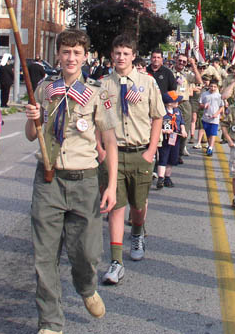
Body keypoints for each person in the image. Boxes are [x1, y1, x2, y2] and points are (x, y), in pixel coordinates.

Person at [23, 29, 118, 334]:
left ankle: (87, 287)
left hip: (84, 181)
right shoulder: (44, 89)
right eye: (66, 52)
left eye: (77, 52)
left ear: (85, 56)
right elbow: (30, 134)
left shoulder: (97, 92)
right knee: (44, 257)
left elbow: (109, 141)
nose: (71, 58)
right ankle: (50, 322)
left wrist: (112, 185)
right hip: (49, 180)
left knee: (86, 254)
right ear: (59, 55)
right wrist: (32, 117)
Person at [99, 34, 164, 285]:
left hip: (139, 152)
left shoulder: (146, 83)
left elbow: (158, 116)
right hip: (114, 154)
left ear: (133, 56)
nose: (121, 57)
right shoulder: (104, 85)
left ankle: (137, 232)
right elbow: (96, 120)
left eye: (126, 53)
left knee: (138, 205)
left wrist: (151, 150)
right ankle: (116, 261)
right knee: (115, 207)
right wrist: (99, 149)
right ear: (112, 55)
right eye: (117, 53)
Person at [172, 54, 202, 161]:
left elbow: (199, 81)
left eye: (184, 62)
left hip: (184, 103)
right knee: (171, 128)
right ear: (176, 60)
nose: (181, 63)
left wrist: (193, 65)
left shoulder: (187, 74)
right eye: (179, 61)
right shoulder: (169, 72)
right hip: (172, 103)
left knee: (185, 128)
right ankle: (171, 152)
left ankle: (179, 153)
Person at [155, 90, 185, 189]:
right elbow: (156, 126)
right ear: (169, 103)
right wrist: (163, 131)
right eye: (175, 101)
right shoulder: (162, 112)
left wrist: (183, 130)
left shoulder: (178, 111)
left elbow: (181, 123)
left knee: (172, 159)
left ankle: (167, 177)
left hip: (175, 138)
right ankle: (160, 178)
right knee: (163, 158)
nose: (177, 102)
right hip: (165, 139)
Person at [200, 78, 225, 156]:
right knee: (208, 134)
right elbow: (200, 104)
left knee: (213, 133)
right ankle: (209, 144)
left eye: (214, 87)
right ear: (209, 86)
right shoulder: (204, 94)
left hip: (215, 118)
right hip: (206, 117)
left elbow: (222, 106)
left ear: (217, 87)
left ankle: (210, 148)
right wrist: (204, 106)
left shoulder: (219, 96)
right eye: (211, 86)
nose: (213, 88)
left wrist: (217, 114)